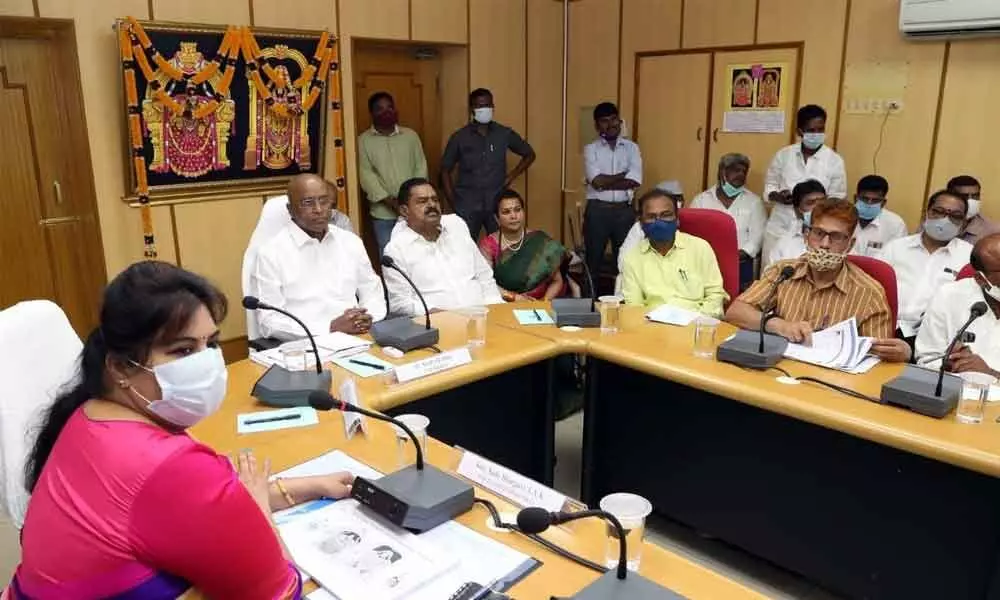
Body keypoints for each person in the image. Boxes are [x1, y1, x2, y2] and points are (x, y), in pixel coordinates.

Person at [9, 261, 355, 598]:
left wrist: (309, 486)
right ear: (120, 368)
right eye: (183, 350)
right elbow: (280, 591)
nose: (206, 363)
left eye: (212, 344)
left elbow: (200, 512)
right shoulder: (168, 466)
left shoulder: (89, 416)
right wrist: (260, 511)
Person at [726, 198, 910, 362]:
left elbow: (877, 361)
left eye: (836, 237)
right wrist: (778, 325)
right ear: (807, 236)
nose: (824, 245)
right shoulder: (784, 271)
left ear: (850, 244)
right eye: (819, 233)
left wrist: (899, 353)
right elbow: (735, 312)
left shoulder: (869, 292)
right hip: (778, 370)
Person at [252, 174, 386, 340]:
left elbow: (372, 290)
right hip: (308, 345)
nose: (319, 209)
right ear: (290, 209)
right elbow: (269, 321)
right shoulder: (271, 253)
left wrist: (367, 317)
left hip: (360, 337)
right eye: (308, 203)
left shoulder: (350, 242)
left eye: (324, 201)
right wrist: (329, 328)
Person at [384, 177, 504, 315]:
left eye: (435, 200)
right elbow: (400, 304)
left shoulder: (456, 226)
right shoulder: (396, 249)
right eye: (422, 201)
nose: (432, 205)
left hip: (483, 318)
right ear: (405, 211)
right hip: (438, 325)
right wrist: (441, 315)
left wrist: (496, 310)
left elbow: (484, 277)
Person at [878, 190, 972, 343]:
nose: (945, 220)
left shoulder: (969, 257)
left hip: (934, 337)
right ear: (926, 213)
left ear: (963, 224)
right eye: (938, 212)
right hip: (884, 326)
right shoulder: (896, 248)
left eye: (955, 216)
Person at [441, 88, 535, 238]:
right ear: (472, 109)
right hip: (467, 205)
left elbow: (529, 154)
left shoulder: (504, 133)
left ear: (493, 107)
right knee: (465, 249)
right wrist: (454, 202)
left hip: (496, 203)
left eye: (488, 105)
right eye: (479, 106)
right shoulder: (459, 137)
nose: (484, 109)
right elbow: (445, 170)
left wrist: (511, 176)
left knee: (502, 248)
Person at [621, 190, 727, 317]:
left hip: (697, 326)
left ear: (677, 220)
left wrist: (698, 322)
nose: (659, 222)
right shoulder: (632, 258)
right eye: (651, 217)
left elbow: (715, 296)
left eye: (666, 215)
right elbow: (634, 309)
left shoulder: (700, 248)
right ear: (641, 223)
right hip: (653, 329)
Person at [763, 104, 847, 250]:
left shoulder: (834, 161)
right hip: (780, 227)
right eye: (811, 130)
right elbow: (770, 185)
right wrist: (777, 196)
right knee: (772, 269)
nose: (816, 134)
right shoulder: (784, 155)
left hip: (816, 231)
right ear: (800, 131)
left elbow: (837, 199)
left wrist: (817, 203)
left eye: (820, 130)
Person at [916, 233, 1000, 374]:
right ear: (980, 279)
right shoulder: (949, 296)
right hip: (956, 390)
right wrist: (947, 364)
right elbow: (926, 358)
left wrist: (992, 374)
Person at [358, 92, 428, 254]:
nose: (386, 112)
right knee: (389, 256)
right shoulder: (363, 141)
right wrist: (391, 202)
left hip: (414, 210)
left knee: (418, 254)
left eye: (390, 107)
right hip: (383, 214)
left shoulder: (411, 136)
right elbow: (366, 175)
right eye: (380, 109)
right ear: (372, 113)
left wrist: (411, 201)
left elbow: (420, 167)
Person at [583, 101, 643, 285]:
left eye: (614, 119)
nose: (611, 124)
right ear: (596, 125)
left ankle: (623, 303)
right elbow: (597, 181)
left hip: (624, 212)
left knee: (625, 261)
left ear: (619, 120)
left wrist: (605, 182)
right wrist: (622, 176)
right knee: (592, 261)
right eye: (604, 121)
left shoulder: (632, 148)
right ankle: (588, 305)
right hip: (597, 211)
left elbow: (634, 181)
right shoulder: (590, 149)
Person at [690, 153, 767, 290]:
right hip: (706, 261)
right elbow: (692, 234)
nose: (741, 175)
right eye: (736, 170)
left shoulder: (754, 202)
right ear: (722, 171)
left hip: (740, 264)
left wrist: (733, 256)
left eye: (744, 171)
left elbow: (757, 238)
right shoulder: (701, 200)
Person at [479, 189, 566, 301]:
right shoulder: (489, 245)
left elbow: (557, 281)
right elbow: (485, 283)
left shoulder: (540, 240)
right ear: (497, 218)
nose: (513, 216)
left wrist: (542, 303)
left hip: (541, 304)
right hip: (504, 305)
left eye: (517, 210)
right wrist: (514, 297)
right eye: (506, 212)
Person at [762, 179, 826, 269]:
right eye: (810, 203)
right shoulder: (784, 244)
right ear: (797, 211)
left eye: (822, 202)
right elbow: (770, 277)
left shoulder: (839, 239)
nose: (818, 208)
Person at [851, 174, 907, 256]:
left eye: (875, 200)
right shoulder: (840, 218)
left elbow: (897, 257)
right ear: (856, 198)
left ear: (883, 203)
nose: (869, 204)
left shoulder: (896, 225)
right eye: (865, 198)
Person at [948, 175, 999, 244]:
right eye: (964, 196)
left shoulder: (993, 230)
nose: (971, 201)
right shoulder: (936, 223)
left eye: (975, 196)